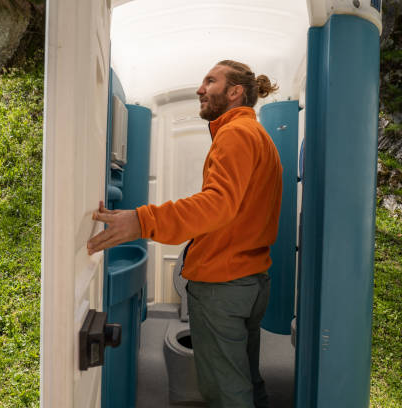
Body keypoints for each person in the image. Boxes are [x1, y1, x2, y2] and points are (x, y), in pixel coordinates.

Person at [87, 60, 282, 408]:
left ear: (235, 92)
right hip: (252, 279)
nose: (200, 89)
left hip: (224, 283)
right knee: (247, 379)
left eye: (210, 81)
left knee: (227, 392)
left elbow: (217, 205)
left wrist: (141, 220)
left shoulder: (235, 134)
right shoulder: (260, 136)